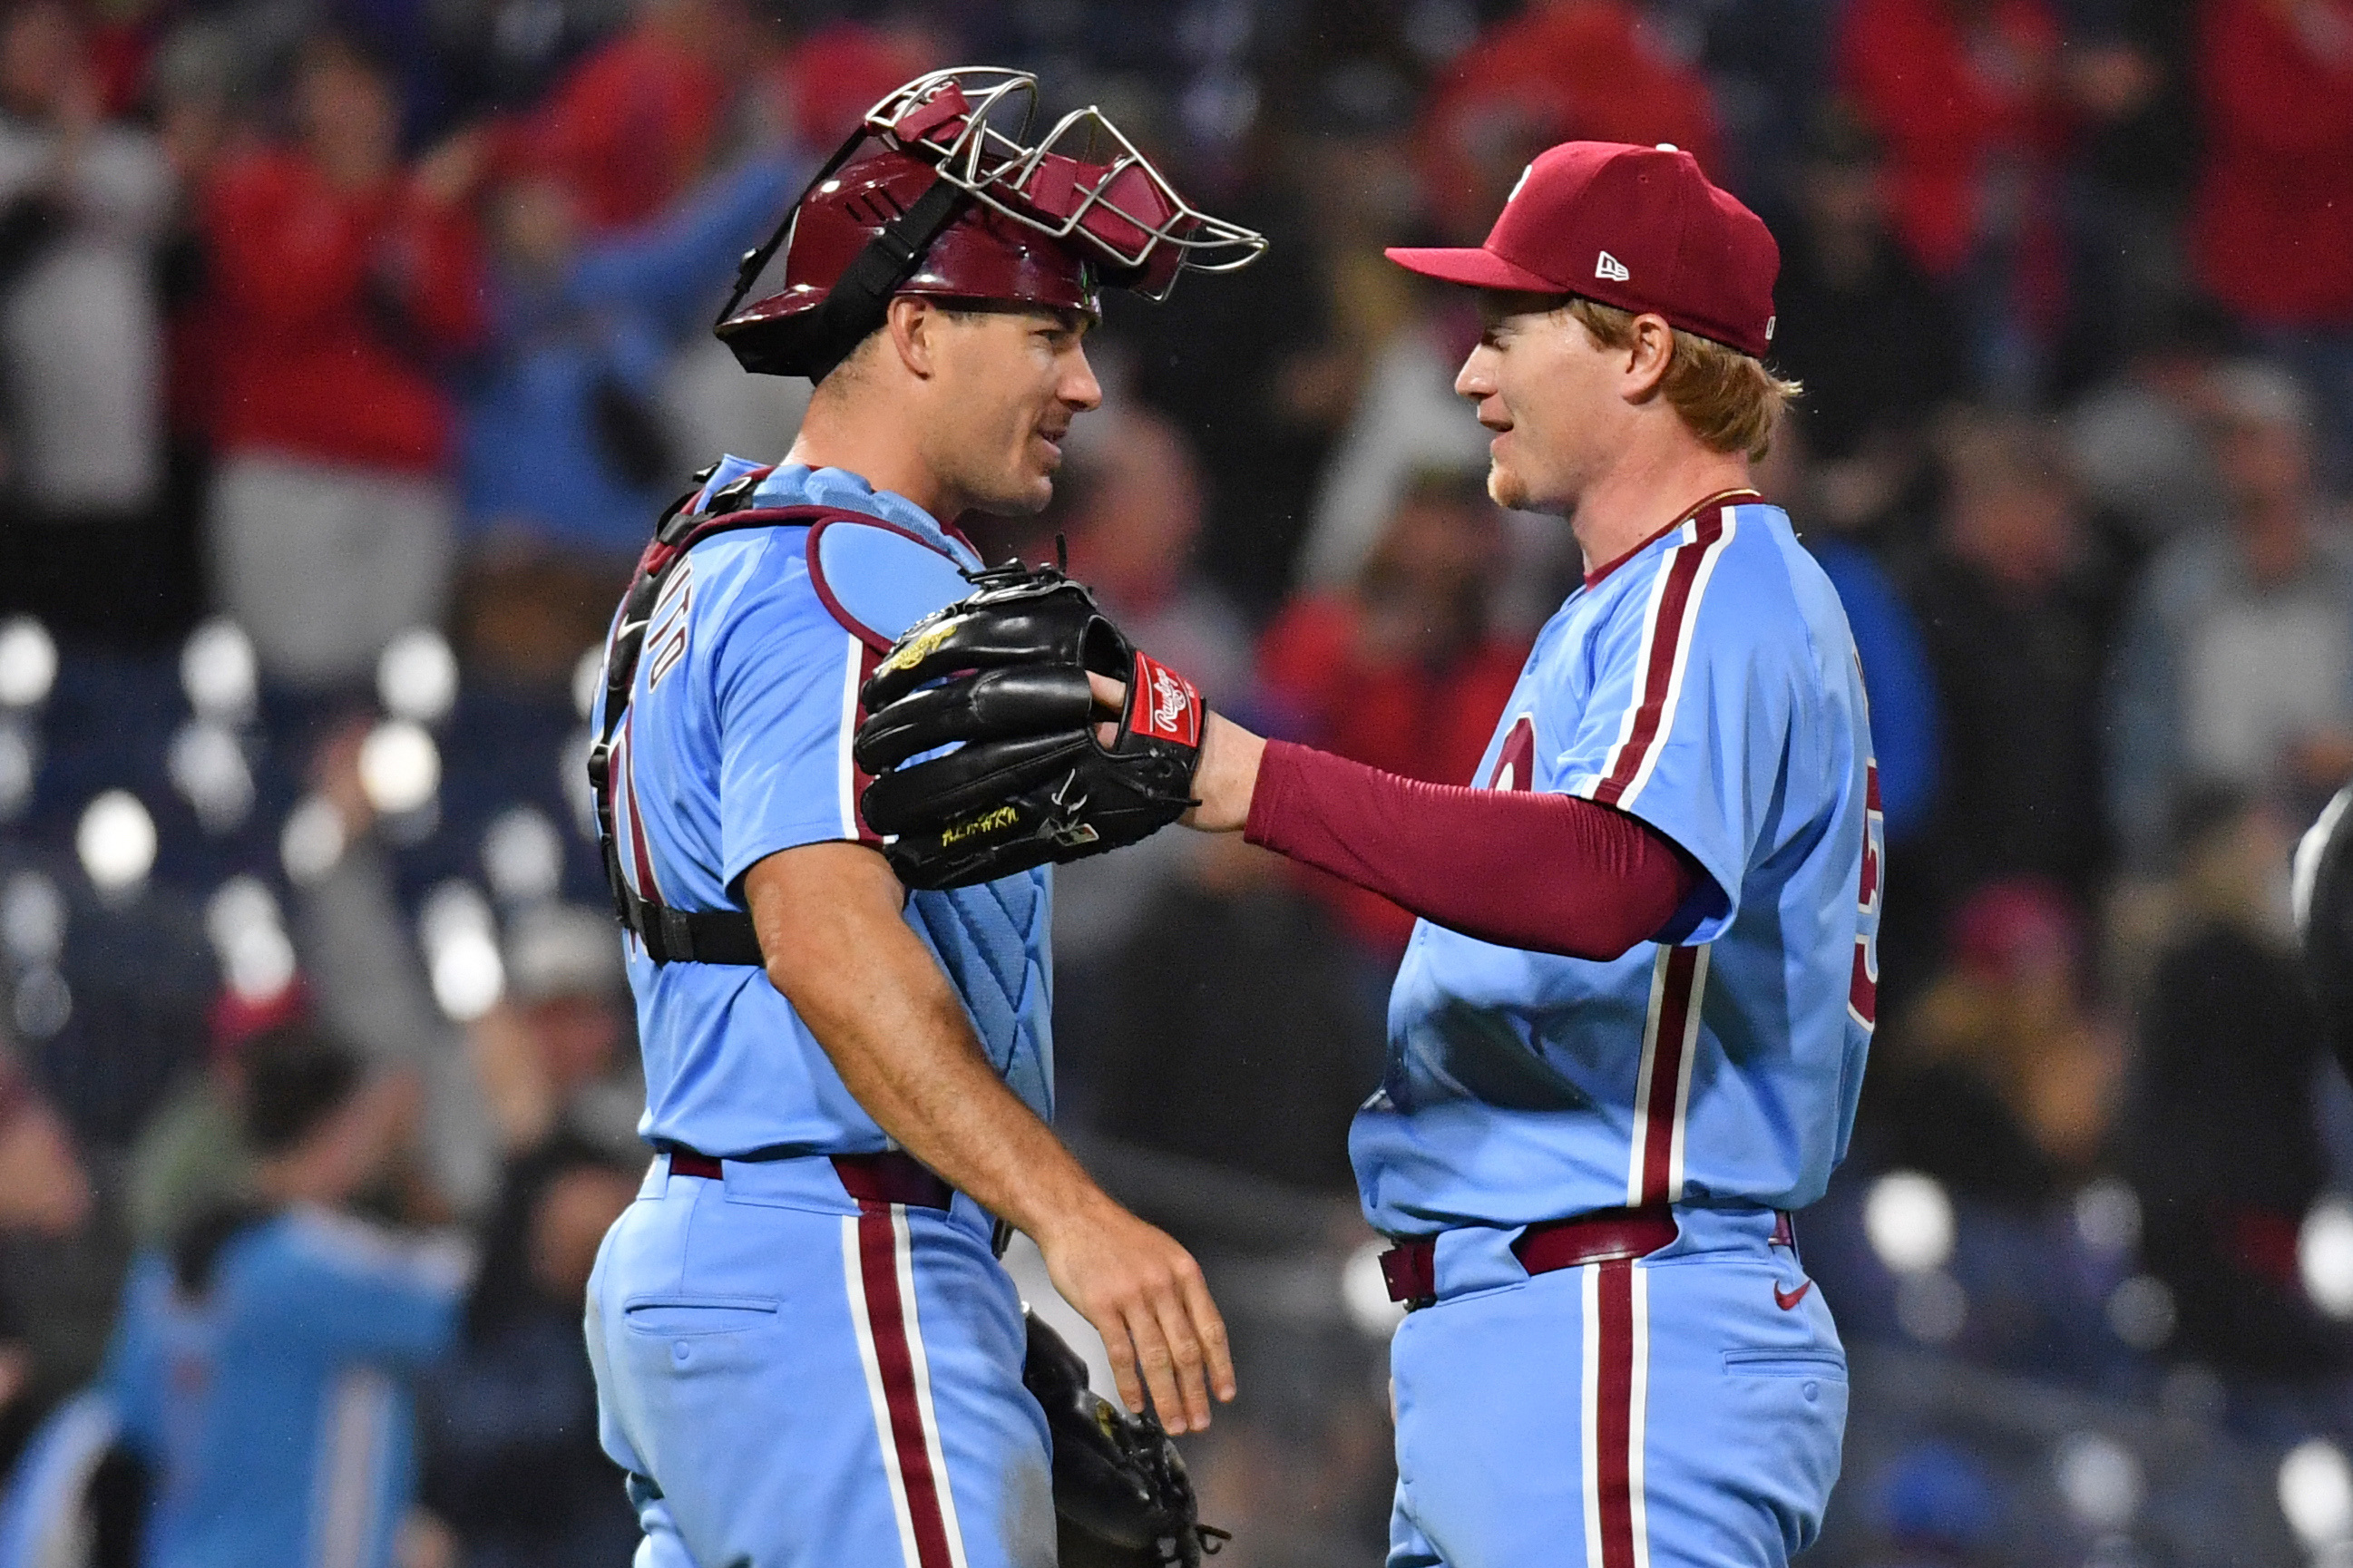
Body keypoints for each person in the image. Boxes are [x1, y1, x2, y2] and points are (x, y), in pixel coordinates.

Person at [863, 139, 1879, 1567]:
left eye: (1506, 330)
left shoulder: (1719, 584)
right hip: (1533, 1325)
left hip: (1615, 1322)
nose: (1470, 376)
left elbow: (1607, 880)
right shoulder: (1624, 607)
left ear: (1642, 349)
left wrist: (1242, 774)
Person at [581, 69, 1262, 1568]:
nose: (1083, 386)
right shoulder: (851, 577)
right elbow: (823, 935)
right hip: (838, 1251)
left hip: (706, 1263)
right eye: (1050, 333)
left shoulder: (711, 556)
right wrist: (1069, 1215)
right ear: (912, 331)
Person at [101, 1024, 471, 1568]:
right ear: (340, 1124)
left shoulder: (163, 1268)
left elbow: (135, 1422)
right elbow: (484, 1293)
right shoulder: (319, 1267)